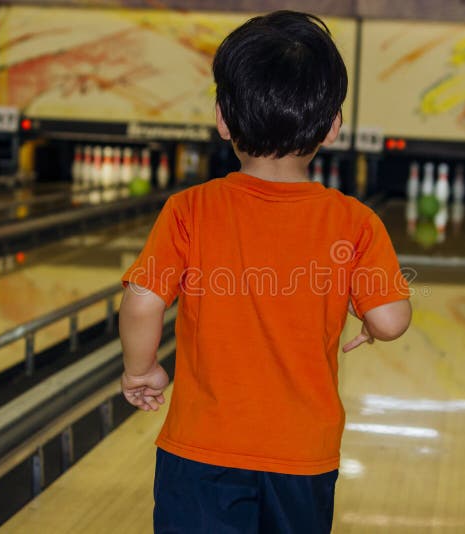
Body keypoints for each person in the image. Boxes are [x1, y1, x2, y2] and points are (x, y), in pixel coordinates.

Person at [119, 10, 411, 533]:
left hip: (201, 451)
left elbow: (142, 301)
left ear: (222, 119)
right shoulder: (355, 221)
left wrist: (141, 370)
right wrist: (370, 322)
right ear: (333, 126)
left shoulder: (189, 209)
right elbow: (390, 319)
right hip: (303, 457)